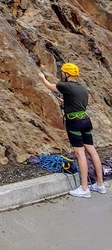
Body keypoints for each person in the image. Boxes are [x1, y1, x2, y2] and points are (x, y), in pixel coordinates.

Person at [39, 63, 106, 198]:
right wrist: (65, 103)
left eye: (63, 72)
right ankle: (100, 184)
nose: (62, 74)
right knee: (92, 151)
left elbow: (49, 86)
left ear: (67, 74)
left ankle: (84, 188)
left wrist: (42, 78)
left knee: (80, 153)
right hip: (85, 121)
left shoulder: (65, 86)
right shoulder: (83, 88)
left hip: (74, 123)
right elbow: (78, 104)